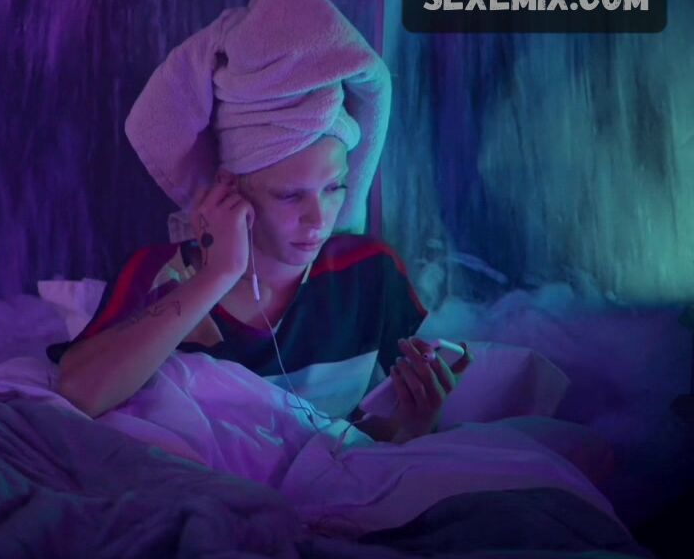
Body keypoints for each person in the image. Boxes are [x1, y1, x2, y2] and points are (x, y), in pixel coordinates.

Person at [49, 135, 473, 444]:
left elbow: (371, 433)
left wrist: (417, 423)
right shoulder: (161, 274)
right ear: (229, 190)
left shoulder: (368, 271)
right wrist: (218, 274)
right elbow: (80, 393)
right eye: (290, 196)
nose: (318, 219)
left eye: (334, 188)